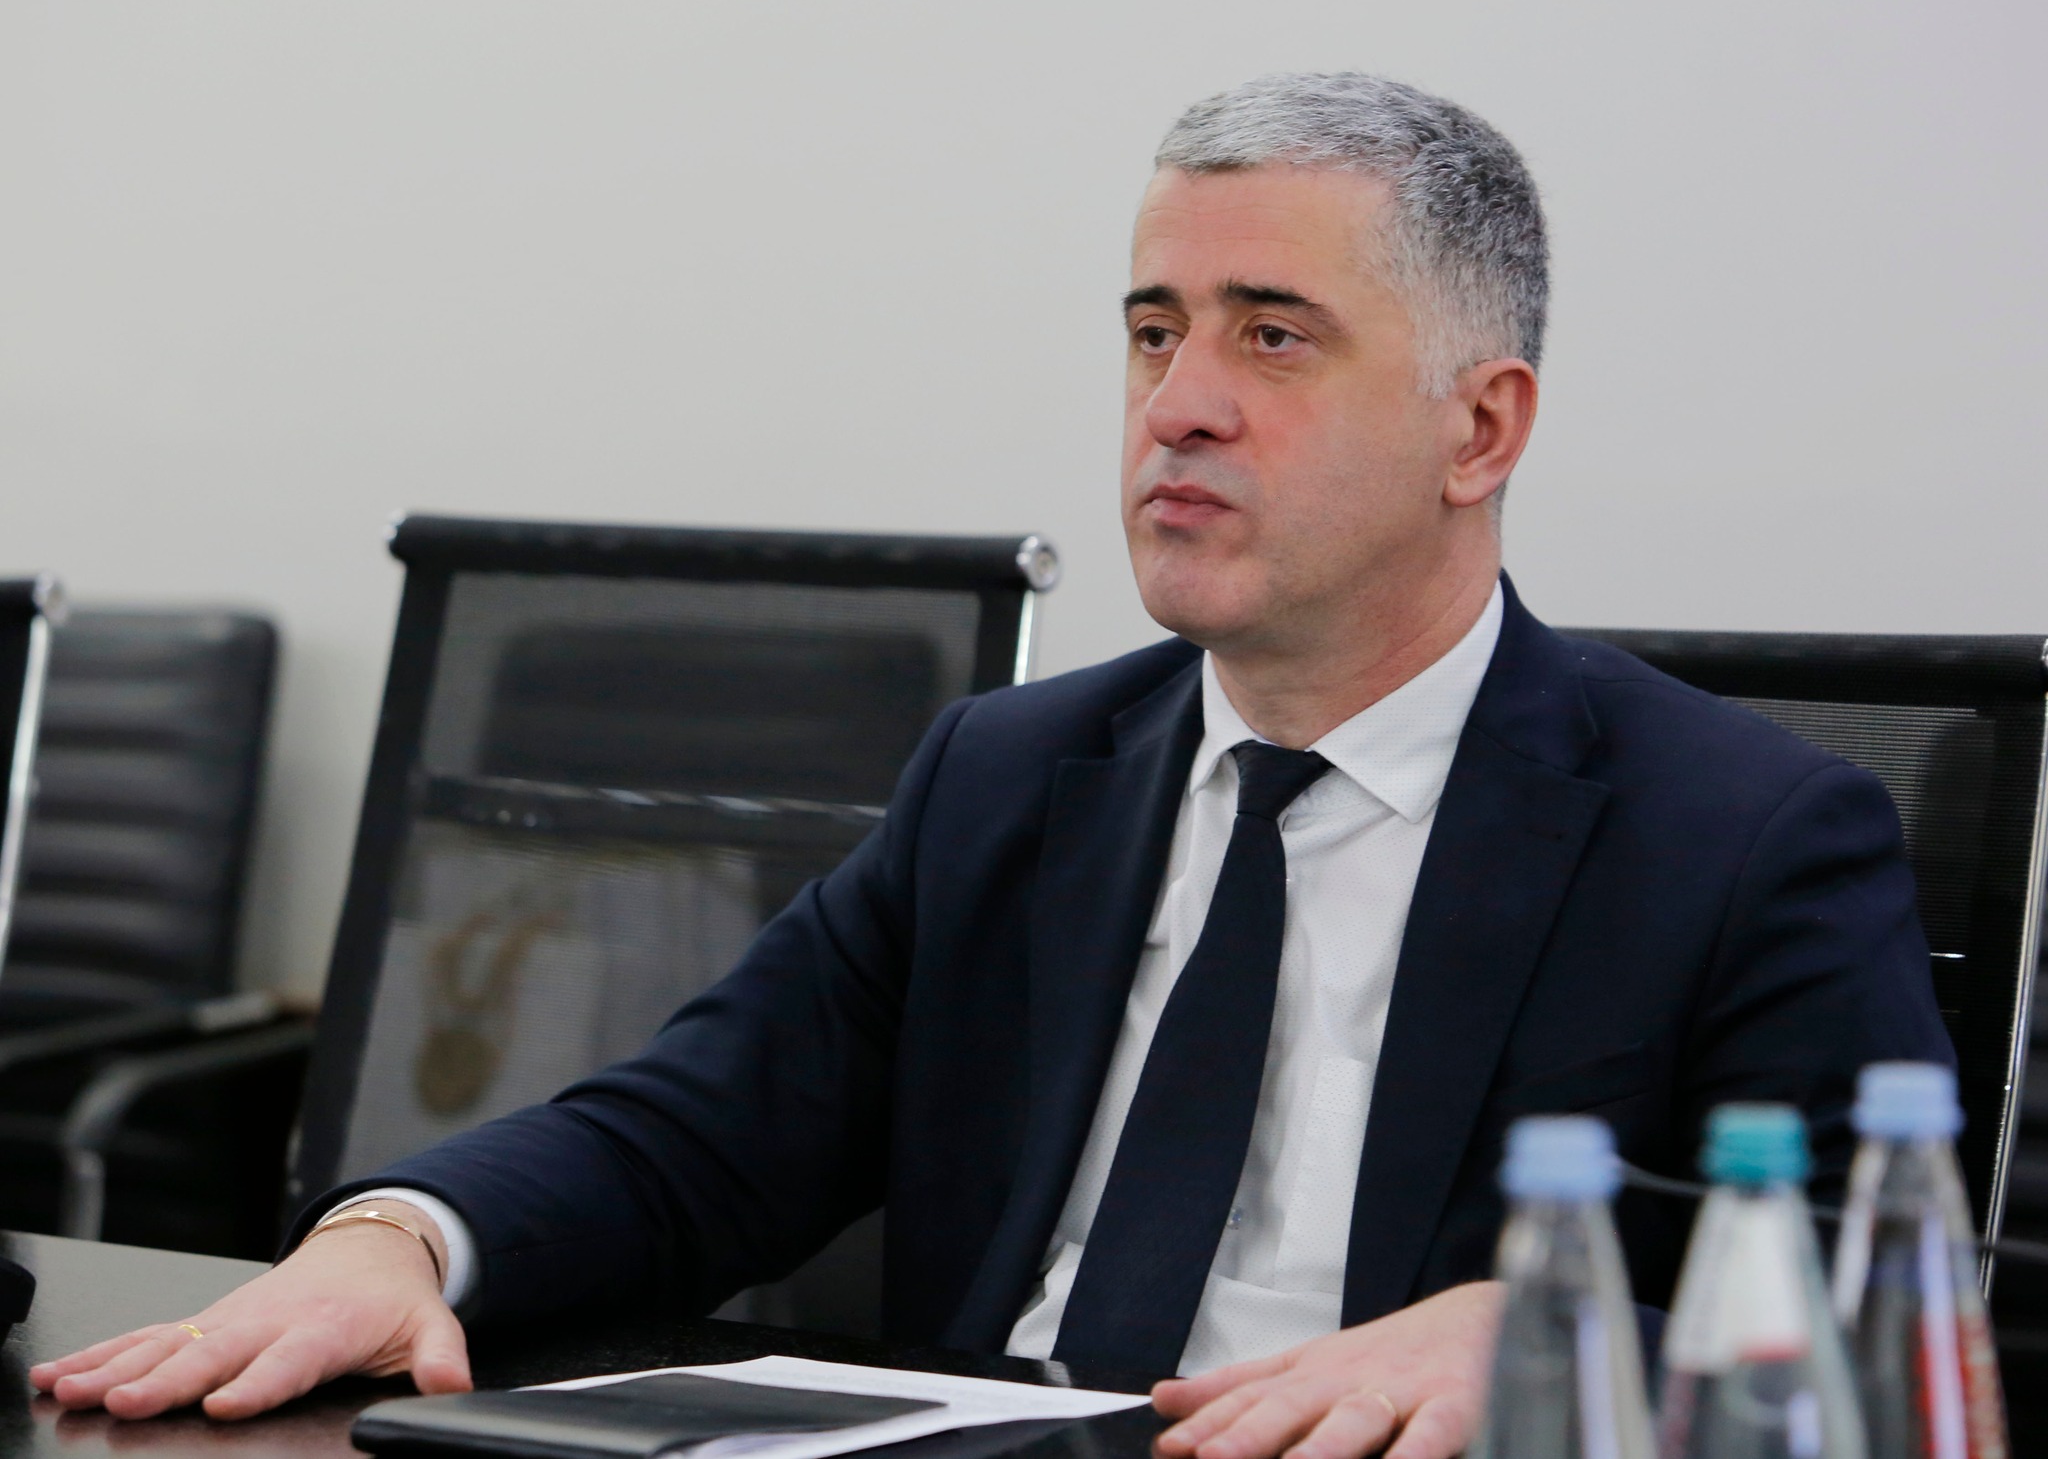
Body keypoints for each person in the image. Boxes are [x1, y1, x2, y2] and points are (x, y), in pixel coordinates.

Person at [33, 73, 1951, 1459]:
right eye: (1153, 330)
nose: (1179, 403)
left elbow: (1883, 1336)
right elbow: (702, 1129)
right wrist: (397, 1234)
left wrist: (1564, 1337)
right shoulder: (1017, 772)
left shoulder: (1738, 832)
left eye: (1274, 337)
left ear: (1481, 428)